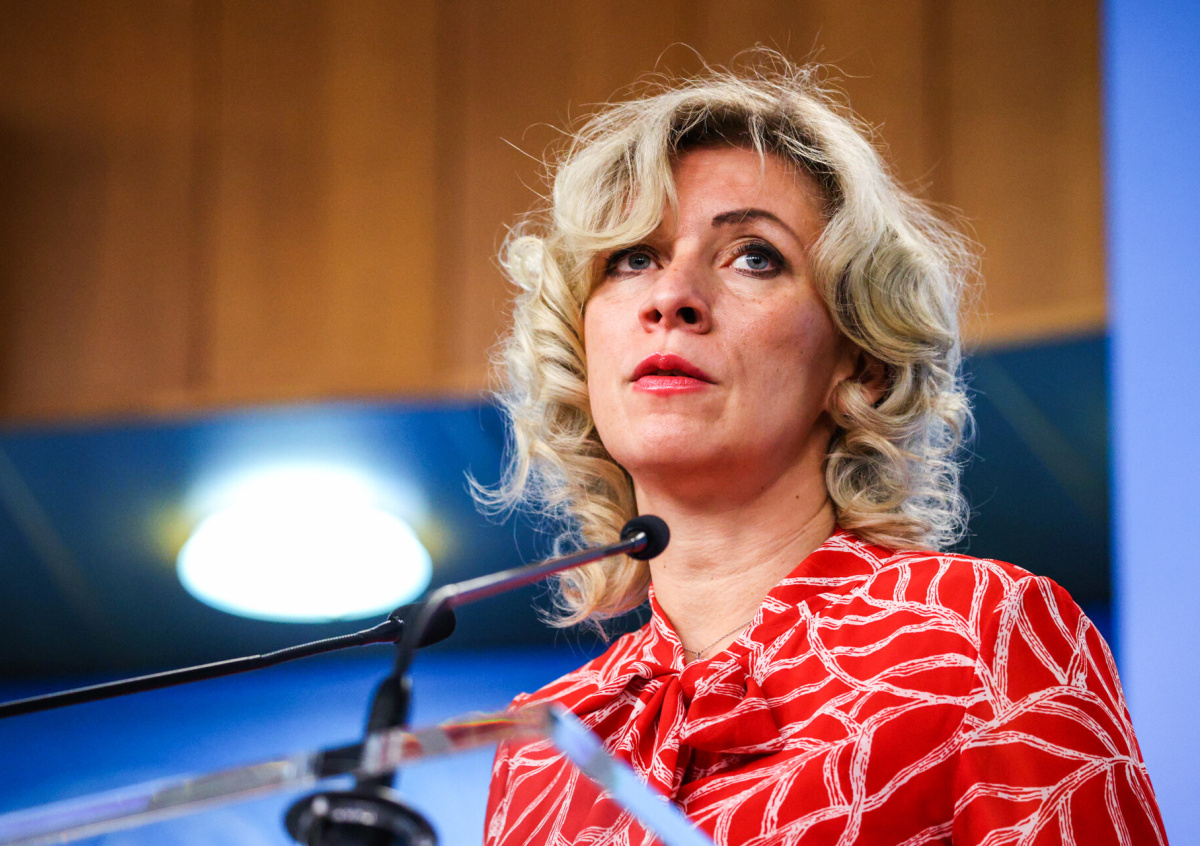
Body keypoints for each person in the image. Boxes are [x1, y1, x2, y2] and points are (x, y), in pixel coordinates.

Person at [478, 57, 1166, 845]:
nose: (671, 298)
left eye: (755, 256)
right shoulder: (537, 749)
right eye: (634, 258)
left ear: (859, 360)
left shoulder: (981, 632)